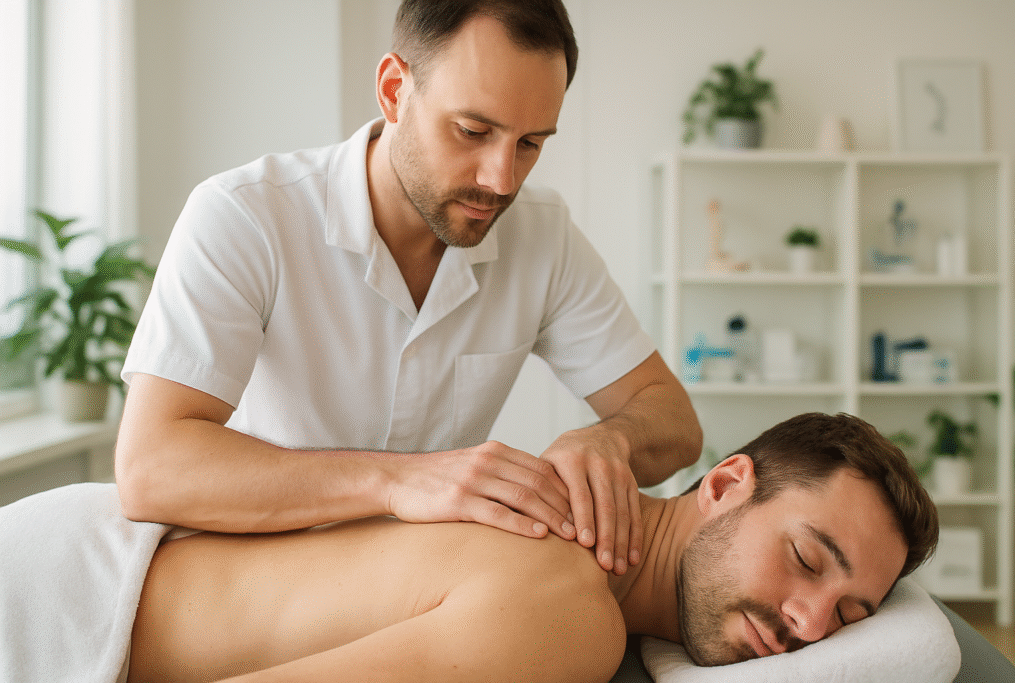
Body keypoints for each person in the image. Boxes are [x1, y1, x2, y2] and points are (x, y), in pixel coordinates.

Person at [115, 0, 701, 576]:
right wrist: (397, 480)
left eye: (530, 144)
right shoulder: (247, 215)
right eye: (473, 131)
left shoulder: (542, 236)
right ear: (394, 90)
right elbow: (151, 469)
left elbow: (675, 422)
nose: (501, 180)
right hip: (257, 580)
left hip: (426, 584)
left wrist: (611, 440)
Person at [125, 413, 939, 682]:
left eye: (848, 615)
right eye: (806, 559)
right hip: (85, 611)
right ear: (725, 484)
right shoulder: (570, 607)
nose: (808, 622)